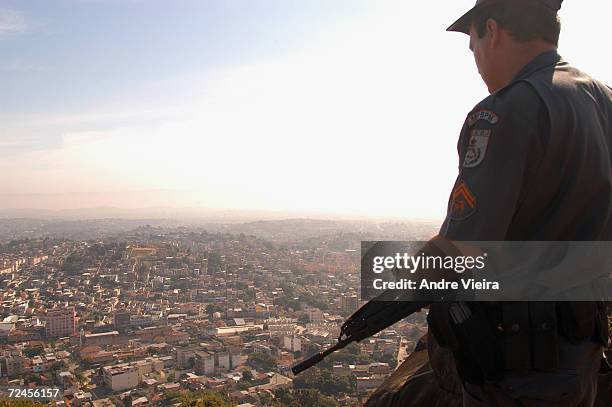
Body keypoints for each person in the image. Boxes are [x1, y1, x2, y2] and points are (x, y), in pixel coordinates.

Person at [425, 0, 612, 406]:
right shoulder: (604, 100)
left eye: (472, 45)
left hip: (518, 365)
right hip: (582, 348)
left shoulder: (507, 110)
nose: (474, 59)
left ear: (491, 30)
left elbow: (461, 250)